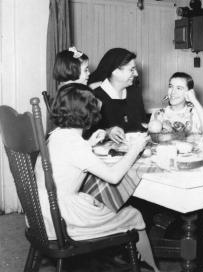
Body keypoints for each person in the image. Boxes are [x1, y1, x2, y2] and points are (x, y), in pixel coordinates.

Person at [35, 83, 159, 272]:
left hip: (40, 213)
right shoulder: (76, 145)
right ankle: (152, 269)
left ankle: (117, 259)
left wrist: (89, 144)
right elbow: (114, 177)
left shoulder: (58, 134)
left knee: (100, 201)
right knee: (134, 214)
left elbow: (69, 157)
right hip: (62, 220)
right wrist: (135, 149)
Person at [88, 48, 147, 143]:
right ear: (115, 71)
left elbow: (142, 126)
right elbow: (86, 135)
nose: (136, 74)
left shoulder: (134, 92)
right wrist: (107, 132)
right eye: (131, 69)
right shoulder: (95, 96)